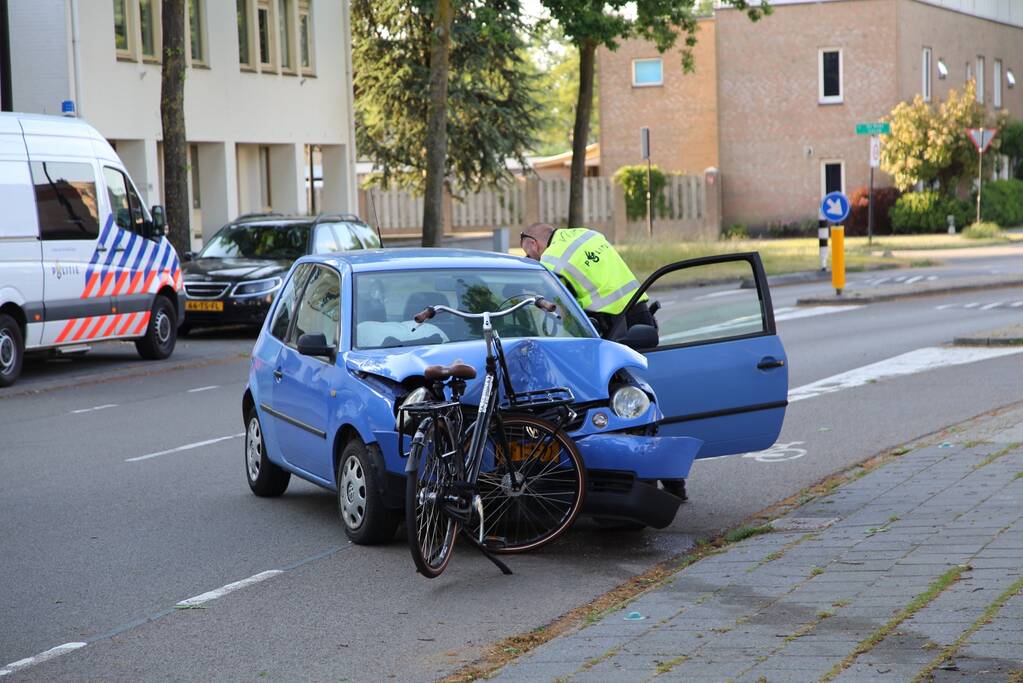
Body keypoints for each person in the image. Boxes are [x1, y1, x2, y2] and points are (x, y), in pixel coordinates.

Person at [519, 222, 657, 340]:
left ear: (533, 244)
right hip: (641, 312)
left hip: (612, 327)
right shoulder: (587, 233)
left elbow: (561, 306)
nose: (531, 258)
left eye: (528, 253)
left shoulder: (550, 260)